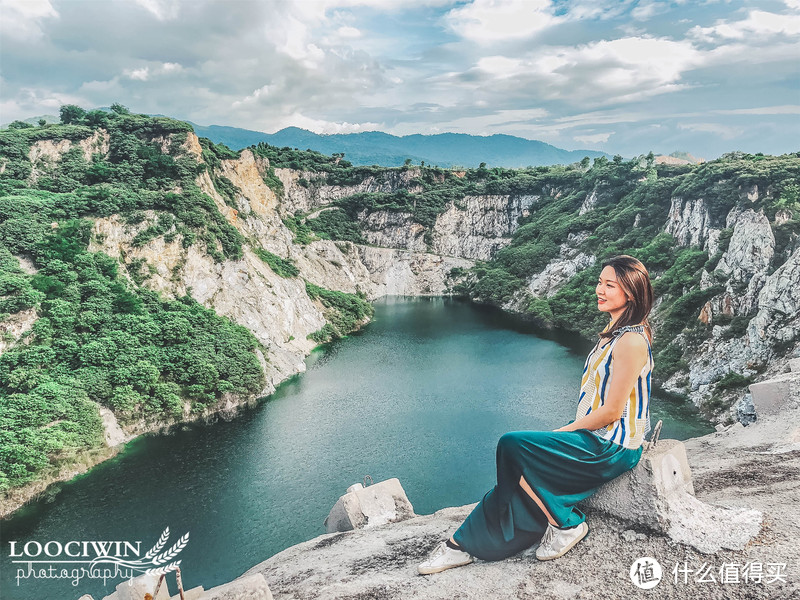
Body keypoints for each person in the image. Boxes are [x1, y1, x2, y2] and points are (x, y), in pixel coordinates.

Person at [418, 255, 655, 575]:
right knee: (516, 465)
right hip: (599, 439)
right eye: (599, 282)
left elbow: (612, 411)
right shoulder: (616, 333)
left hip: (612, 446)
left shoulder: (630, 341)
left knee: (513, 446)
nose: (599, 289)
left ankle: (565, 523)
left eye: (609, 285)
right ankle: (461, 543)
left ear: (631, 294)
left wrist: (566, 431)